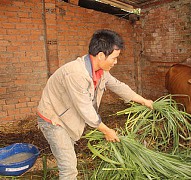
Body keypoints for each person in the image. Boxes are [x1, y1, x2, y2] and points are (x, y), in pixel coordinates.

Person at [37, 29, 153, 179]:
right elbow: (85, 109)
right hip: (53, 120)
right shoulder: (76, 74)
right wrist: (106, 130)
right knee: (69, 168)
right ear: (100, 55)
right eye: (114, 58)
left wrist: (143, 100)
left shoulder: (100, 71)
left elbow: (118, 86)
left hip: (67, 115)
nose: (116, 62)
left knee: (68, 156)